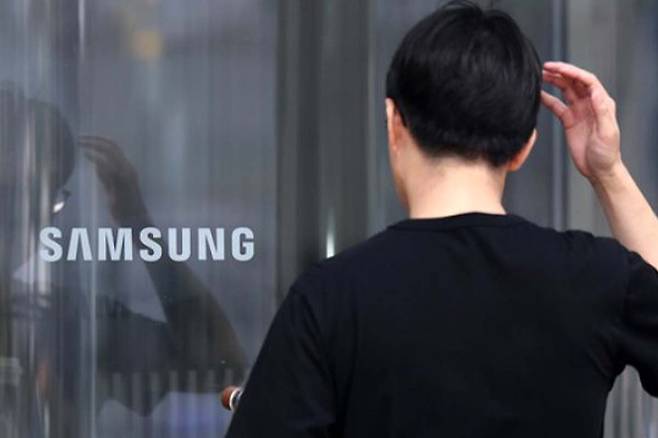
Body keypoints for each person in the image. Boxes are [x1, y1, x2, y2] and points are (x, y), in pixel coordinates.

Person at [226, 1, 658, 437]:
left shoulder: (329, 297)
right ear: (525, 147)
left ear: (394, 122)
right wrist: (608, 172)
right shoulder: (594, 277)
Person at [0, 86, 245, 437]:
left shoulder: (69, 319)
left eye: (35, 202)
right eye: (9, 197)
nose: (15, 221)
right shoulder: (66, 317)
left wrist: (139, 225)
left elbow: (220, 366)